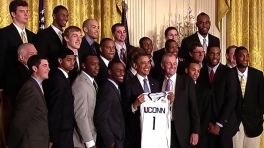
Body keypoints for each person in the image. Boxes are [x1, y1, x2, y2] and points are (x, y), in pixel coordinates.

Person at [198, 45, 238, 148]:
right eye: (212, 53)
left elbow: (231, 100)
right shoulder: (200, 73)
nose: (215, 57)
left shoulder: (229, 72)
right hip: (205, 127)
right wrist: (208, 123)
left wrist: (218, 124)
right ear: (206, 55)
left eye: (218, 54)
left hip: (223, 127)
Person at [7, 55, 50, 148]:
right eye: (45, 66)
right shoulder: (30, 89)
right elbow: (20, 120)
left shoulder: (36, 87)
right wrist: (11, 144)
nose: (49, 69)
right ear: (35, 68)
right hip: (31, 144)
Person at [160, 53, 200, 148]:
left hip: (181, 131)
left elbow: (193, 108)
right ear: (162, 65)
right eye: (169, 63)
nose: (172, 66)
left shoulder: (187, 82)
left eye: (174, 63)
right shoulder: (156, 81)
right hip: (162, 129)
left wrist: (195, 131)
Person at [0, 0, 35, 103]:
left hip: (30, 85)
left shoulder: (32, 35)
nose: (26, 14)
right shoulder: (4, 34)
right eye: (22, 11)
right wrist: (1, 88)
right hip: (12, 86)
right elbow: (1, 61)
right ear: (13, 14)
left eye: (27, 11)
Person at [123, 53, 160, 148]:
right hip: (137, 133)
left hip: (154, 132)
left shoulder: (155, 83)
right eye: (143, 63)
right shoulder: (128, 84)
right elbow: (124, 112)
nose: (147, 66)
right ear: (135, 65)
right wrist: (134, 105)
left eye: (148, 62)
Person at [232, 46, 264, 148]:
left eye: (247, 56)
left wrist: (259, 119)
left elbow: (262, 100)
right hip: (234, 123)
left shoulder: (258, 75)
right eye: (242, 56)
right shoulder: (228, 74)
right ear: (235, 57)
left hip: (253, 124)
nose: (245, 58)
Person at [43, 48, 75, 148]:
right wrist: (52, 137)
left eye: (73, 60)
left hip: (65, 131)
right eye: (69, 60)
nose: (72, 63)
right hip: (60, 134)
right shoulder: (57, 79)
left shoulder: (62, 77)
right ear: (60, 60)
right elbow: (55, 109)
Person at [94, 61, 125, 148]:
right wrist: (111, 141)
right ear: (110, 72)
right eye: (118, 71)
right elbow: (100, 118)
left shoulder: (115, 87)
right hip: (111, 143)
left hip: (118, 139)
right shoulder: (107, 90)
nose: (122, 73)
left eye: (123, 70)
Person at [72, 54, 99, 148]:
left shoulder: (90, 80)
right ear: (84, 65)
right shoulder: (80, 85)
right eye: (93, 64)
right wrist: (89, 142)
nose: (97, 67)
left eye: (98, 64)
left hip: (92, 135)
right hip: (82, 142)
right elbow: (80, 115)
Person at [185, 62, 212, 148]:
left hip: (199, 136)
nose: (196, 73)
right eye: (193, 70)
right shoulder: (179, 87)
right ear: (186, 70)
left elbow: (206, 115)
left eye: (198, 71)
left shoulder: (205, 91)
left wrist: (197, 132)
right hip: (182, 133)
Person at [6, 43, 37, 109]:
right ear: (21, 57)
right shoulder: (15, 73)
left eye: (36, 54)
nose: (35, 57)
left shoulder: (33, 70)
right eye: (32, 54)